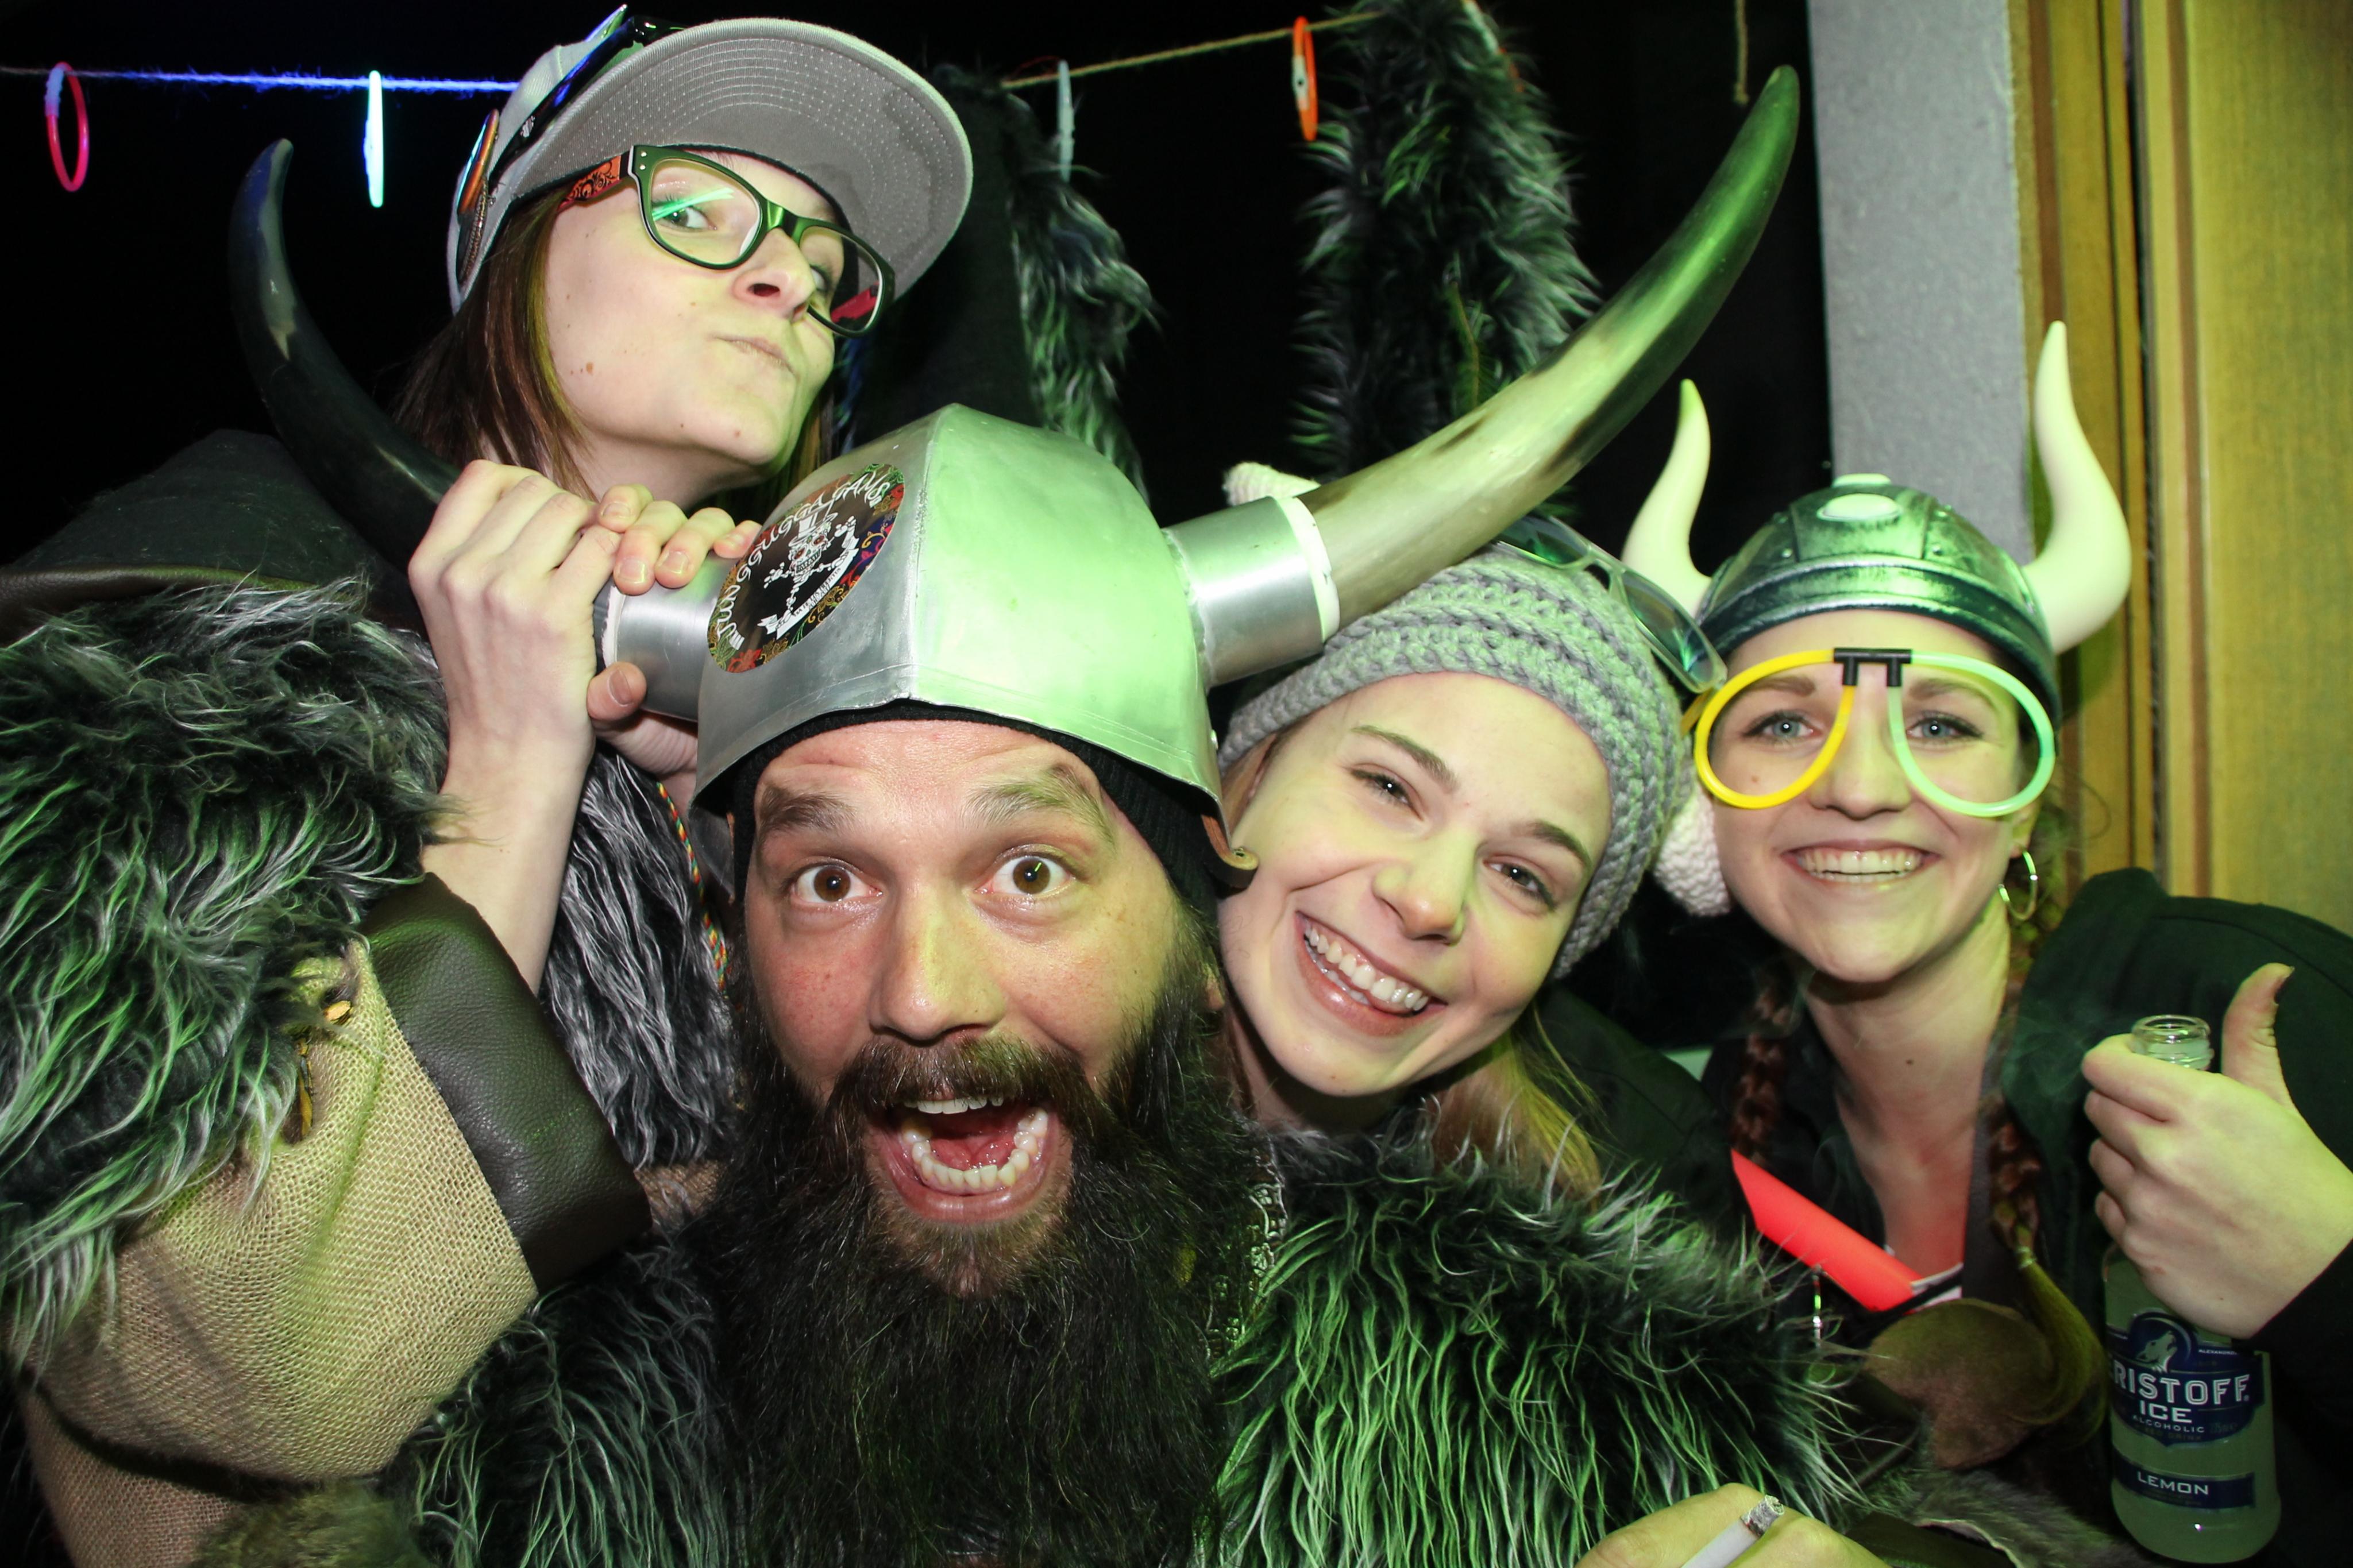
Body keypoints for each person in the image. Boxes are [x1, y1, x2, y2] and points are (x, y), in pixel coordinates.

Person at [2, 13, 969, 1561]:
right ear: (508, 247)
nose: (790, 280)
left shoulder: (778, 738)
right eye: (696, 206)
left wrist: (731, 819)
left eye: (822, 259)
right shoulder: (195, 628)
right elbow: (262, 1358)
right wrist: (515, 765)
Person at [1620, 324, 2353, 1564]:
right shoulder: (1723, 1124)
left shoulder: (2255, 1019)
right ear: (1703, 805)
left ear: (2024, 800)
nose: (1860, 787)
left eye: (1942, 725)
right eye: (1783, 724)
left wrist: (2327, 1274)